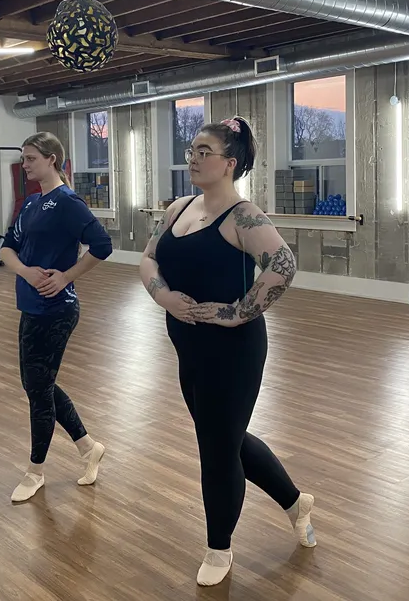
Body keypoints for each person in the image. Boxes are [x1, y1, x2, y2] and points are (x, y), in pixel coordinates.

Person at [140, 116, 316, 587]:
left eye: (204, 151)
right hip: (187, 346)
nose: (193, 158)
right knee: (227, 438)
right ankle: (296, 502)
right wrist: (164, 296)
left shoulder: (243, 216)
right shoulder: (180, 207)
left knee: (216, 451)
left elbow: (283, 264)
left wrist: (237, 313)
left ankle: (219, 546)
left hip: (232, 352)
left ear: (229, 163)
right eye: (192, 149)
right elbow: (149, 257)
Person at [0, 132, 112, 503]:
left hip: (57, 309)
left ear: (51, 160)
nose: (25, 164)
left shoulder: (67, 202)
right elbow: (7, 250)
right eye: (24, 158)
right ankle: (87, 446)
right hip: (30, 304)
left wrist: (66, 276)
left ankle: (35, 471)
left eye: (31, 158)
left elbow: (102, 246)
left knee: (38, 389)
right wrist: (27, 272)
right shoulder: (30, 204)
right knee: (37, 384)